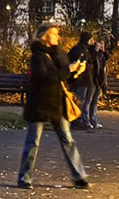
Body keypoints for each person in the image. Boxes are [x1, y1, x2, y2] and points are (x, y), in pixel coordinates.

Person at [17, 20, 90, 189]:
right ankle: (24, 178)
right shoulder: (38, 55)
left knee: (67, 139)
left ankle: (78, 176)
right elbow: (45, 76)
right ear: (45, 36)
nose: (58, 36)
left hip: (58, 103)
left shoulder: (59, 53)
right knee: (33, 141)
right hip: (40, 104)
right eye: (54, 33)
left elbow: (62, 76)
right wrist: (68, 70)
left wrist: (75, 71)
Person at [67, 31, 98, 130]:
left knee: (81, 99)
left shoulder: (81, 49)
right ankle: (77, 120)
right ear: (88, 40)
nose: (93, 41)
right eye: (91, 39)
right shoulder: (81, 50)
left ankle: (78, 120)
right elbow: (84, 63)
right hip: (81, 79)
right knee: (80, 100)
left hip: (81, 79)